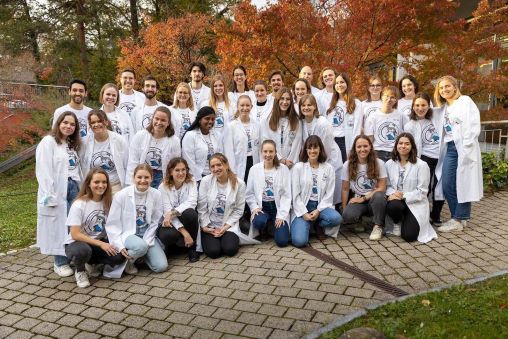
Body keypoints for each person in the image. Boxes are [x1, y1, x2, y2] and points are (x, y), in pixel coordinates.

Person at [433, 75, 483, 232]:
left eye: (447, 86)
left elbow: (473, 124)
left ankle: (459, 218)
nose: (444, 90)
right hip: (449, 148)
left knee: (463, 183)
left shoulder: (465, 101)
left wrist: (467, 147)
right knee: (447, 183)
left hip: (462, 147)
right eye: (441, 88)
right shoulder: (444, 108)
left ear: (455, 87)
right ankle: (459, 217)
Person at [36, 111, 82, 278]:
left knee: (73, 225)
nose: (68, 126)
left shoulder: (70, 144)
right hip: (58, 190)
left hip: (73, 188)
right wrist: (50, 194)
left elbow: (76, 168)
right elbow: (43, 170)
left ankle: (71, 257)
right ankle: (60, 262)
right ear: (58, 123)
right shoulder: (48, 142)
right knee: (59, 226)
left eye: (72, 124)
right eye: (65, 123)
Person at [65, 169, 124, 287]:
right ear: (88, 184)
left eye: (104, 182)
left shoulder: (109, 202)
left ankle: (92, 263)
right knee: (83, 251)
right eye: (96, 182)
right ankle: (80, 271)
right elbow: (75, 234)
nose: (101, 185)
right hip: (77, 243)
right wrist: (101, 244)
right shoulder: (79, 204)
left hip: (97, 243)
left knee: (118, 257)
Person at [106, 164, 167, 276]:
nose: (143, 180)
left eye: (146, 177)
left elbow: (155, 221)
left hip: (147, 233)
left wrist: (147, 241)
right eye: (139, 177)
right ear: (133, 178)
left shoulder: (156, 194)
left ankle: (139, 255)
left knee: (161, 266)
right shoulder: (121, 195)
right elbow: (112, 224)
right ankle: (129, 262)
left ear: (151, 178)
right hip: (128, 234)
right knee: (140, 246)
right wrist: (119, 245)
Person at [197, 153, 258, 258]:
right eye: (213, 166)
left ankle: (225, 239)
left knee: (230, 250)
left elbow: (239, 210)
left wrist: (225, 228)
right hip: (210, 226)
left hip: (228, 225)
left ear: (226, 165)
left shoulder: (239, 183)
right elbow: (202, 208)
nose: (216, 169)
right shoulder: (206, 181)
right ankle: (213, 240)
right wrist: (205, 226)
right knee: (214, 252)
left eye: (219, 165)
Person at [384, 133, 438, 243]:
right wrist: (393, 194)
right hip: (396, 201)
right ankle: (397, 222)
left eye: (407, 144)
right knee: (394, 206)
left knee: (409, 236)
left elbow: (422, 192)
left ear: (412, 146)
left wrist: (403, 195)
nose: (403, 146)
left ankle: (407, 219)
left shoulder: (422, 165)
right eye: (400, 143)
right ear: (396, 146)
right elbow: (387, 185)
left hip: (414, 202)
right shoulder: (389, 164)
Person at [291, 136, 342, 247]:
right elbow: (295, 195)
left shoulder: (328, 168)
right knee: (299, 241)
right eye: (310, 148)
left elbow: (329, 194)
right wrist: (304, 213)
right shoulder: (298, 168)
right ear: (306, 150)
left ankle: (318, 224)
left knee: (336, 218)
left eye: (315, 148)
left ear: (320, 149)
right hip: (303, 206)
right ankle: (307, 224)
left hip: (320, 207)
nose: (312, 151)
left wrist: (318, 210)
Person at [404, 92, 444, 225]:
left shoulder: (437, 116)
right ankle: (421, 214)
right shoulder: (410, 124)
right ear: (413, 106)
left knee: (440, 186)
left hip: (442, 156)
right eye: (417, 105)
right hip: (425, 157)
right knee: (425, 186)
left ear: (429, 105)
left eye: (423, 105)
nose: (420, 108)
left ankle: (436, 215)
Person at [341, 135, 387, 240]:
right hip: (358, 199)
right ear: (355, 149)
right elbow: (345, 188)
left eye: (365, 146)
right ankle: (359, 220)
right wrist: (344, 209)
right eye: (359, 146)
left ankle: (378, 226)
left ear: (370, 147)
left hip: (373, 199)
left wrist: (364, 198)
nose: (362, 149)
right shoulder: (347, 165)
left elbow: (382, 187)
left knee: (379, 196)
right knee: (348, 215)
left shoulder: (379, 163)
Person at [299, 94, 343, 205]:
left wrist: (318, 165)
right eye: (303, 105)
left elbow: (326, 148)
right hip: (313, 159)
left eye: (309, 105)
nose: (306, 108)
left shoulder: (323, 123)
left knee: (330, 193)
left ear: (315, 107)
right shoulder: (301, 123)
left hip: (328, 158)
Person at [246, 140, 291, 247]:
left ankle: (274, 223)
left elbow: (286, 194)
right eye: (265, 151)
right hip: (263, 207)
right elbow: (249, 193)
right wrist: (254, 207)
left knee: (282, 241)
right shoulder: (254, 169)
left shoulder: (283, 169)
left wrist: (281, 216)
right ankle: (265, 227)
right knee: (259, 222)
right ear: (261, 152)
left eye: (271, 151)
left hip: (277, 207)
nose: (268, 154)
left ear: (275, 152)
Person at [127, 106, 181, 188]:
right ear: (152, 119)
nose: (159, 122)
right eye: (157, 119)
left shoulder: (174, 141)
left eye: (163, 120)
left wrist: (170, 183)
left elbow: (174, 165)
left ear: (168, 123)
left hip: (161, 177)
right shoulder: (140, 136)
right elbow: (133, 161)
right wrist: (131, 183)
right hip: (142, 175)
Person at [158, 158, 200, 263]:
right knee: (167, 235)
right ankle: (174, 247)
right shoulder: (163, 187)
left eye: (183, 169)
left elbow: (192, 202)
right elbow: (166, 213)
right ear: (170, 172)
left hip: (186, 219)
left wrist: (172, 212)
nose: (181, 173)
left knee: (190, 213)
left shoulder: (192, 181)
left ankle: (192, 248)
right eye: (177, 170)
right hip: (171, 222)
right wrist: (185, 233)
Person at [80, 110, 128, 194]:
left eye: (99, 121)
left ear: (106, 122)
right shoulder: (85, 142)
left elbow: (127, 164)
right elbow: (81, 166)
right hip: (94, 188)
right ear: (90, 125)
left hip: (115, 186)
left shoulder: (119, 140)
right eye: (93, 122)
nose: (96, 124)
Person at [260, 87, 302, 169]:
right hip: (272, 162)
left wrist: (289, 162)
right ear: (277, 100)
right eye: (282, 99)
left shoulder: (296, 121)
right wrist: (280, 160)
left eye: (288, 99)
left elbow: (297, 144)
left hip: (291, 165)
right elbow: (266, 142)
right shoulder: (267, 120)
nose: (285, 102)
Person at [326, 72, 363, 162]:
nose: (339, 85)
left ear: (347, 84)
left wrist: (354, 147)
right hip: (332, 141)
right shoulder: (331, 103)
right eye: (337, 83)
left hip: (346, 142)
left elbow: (357, 128)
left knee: (345, 170)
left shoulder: (356, 103)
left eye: (342, 82)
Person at [223, 95, 260, 182]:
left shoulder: (257, 125)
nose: (245, 108)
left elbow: (260, 146)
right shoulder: (231, 126)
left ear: (252, 106)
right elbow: (228, 150)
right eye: (242, 105)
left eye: (247, 105)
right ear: (237, 107)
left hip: (254, 161)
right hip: (238, 162)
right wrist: (232, 169)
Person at [365, 86, 407, 162]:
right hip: (377, 152)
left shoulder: (401, 116)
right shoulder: (373, 116)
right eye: (386, 96)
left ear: (396, 100)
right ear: (382, 97)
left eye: (392, 97)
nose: (389, 99)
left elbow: (407, 134)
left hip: (395, 152)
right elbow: (369, 139)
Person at [181, 106, 222, 181]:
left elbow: (220, 156)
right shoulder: (190, 135)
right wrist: (199, 179)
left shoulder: (217, 135)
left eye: (213, 119)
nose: (210, 121)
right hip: (198, 177)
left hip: (215, 176)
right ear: (199, 120)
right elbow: (189, 161)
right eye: (207, 118)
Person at [203, 74, 234, 142]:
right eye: (215, 86)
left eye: (220, 85)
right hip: (212, 140)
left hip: (228, 140)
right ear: (212, 88)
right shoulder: (206, 104)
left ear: (224, 87)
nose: (218, 88)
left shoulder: (231, 104)